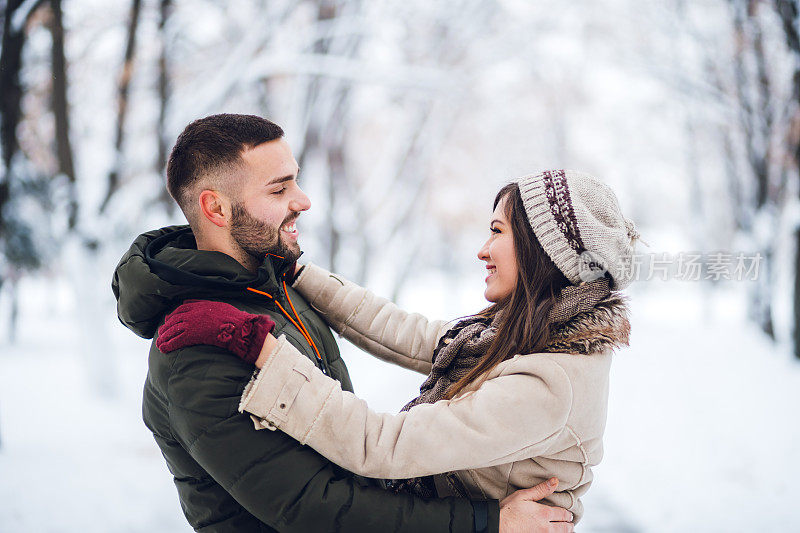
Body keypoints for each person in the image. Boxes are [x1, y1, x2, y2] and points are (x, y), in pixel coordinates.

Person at [112, 113, 573, 532]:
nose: (304, 201)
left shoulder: (274, 287)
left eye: (296, 182)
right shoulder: (197, 346)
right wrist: (486, 523)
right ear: (216, 209)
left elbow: (406, 335)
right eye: (279, 189)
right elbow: (320, 509)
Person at [157, 169, 638, 525]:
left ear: (543, 253)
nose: (482, 249)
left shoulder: (548, 382)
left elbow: (382, 445)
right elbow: (404, 331)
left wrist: (260, 349)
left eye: (497, 231)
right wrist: (297, 273)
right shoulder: (529, 335)